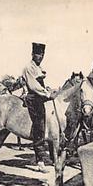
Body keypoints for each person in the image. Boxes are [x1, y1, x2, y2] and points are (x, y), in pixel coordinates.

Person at [23, 42, 55, 173]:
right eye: (38, 54)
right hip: (32, 96)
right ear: (32, 54)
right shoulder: (29, 67)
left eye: (42, 54)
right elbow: (33, 85)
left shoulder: (39, 67)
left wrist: (48, 90)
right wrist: (47, 93)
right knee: (39, 124)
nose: (40, 56)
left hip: (39, 95)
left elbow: (41, 84)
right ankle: (40, 160)